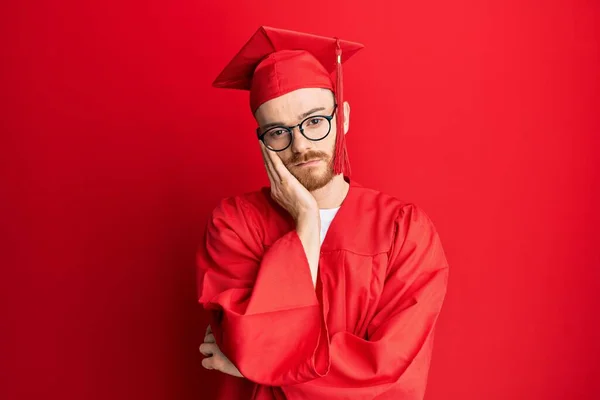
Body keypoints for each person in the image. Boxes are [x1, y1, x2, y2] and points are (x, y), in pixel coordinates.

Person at [197, 26, 449, 400]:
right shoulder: (235, 225)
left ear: (342, 117)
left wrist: (259, 363)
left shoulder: (403, 230)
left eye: (315, 121)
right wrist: (305, 221)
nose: (300, 146)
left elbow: (388, 370)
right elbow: (244, 342)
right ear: (262, 139)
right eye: (278, 132)